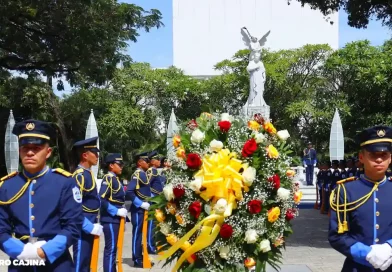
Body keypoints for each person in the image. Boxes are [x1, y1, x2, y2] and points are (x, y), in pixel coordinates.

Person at [0, 119, 83, 271]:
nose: (30, 152)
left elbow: (73, 226)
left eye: (36, 148)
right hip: (20, 262)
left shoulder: (63, 183)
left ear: (48, 152)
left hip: (56, 263)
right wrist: (20, 251)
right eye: (25, 148)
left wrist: (44, 251)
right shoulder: (7, 186)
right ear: (19, 151)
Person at [329, 125, 392, 271]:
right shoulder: (345, 190)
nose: (378, 159)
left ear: (390, 158)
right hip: (357, 267)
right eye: (373, 155)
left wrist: (390, 248)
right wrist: (367, 254)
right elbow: (337, 236)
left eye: (384, 155)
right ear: (362, 157)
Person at [72, 137, 103, 272]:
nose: (97, 156)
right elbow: (73, 207)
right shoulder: (79, 175)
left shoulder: (87, 173)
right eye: (94, 153)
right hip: (82, 224)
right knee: (80, 261)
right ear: (85, 155)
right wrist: (87, 225)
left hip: (91, 220)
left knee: (87, 261)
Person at [99, 153, 128, 272]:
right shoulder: (108, 178)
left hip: (115, 218)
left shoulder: (116, 179)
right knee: (110, 249)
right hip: (110, 218)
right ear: (111, 165)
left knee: (114, 248)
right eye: (119, 164)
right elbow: (101, 199)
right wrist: (116, 211)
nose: (121, 167)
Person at [126, 152, 151, 268]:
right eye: (146, 161)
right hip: (137, 209)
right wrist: (140, 204)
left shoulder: (143, 174)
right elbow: (130, 191)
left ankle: (139, 255)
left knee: (141, 233)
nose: (148, 163)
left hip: (143, 209)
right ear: (140, 163)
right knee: (137, 233)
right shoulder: (137, 174)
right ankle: (136, 258)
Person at [146, 151, 163, 254]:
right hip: (153, 200)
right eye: (157, 159)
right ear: (152, 161)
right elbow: (146, 185)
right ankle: (150, 246)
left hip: (157, 199)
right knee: (151, 224)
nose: (159, 161)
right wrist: (150, 198)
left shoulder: (155, 170)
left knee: (155, 224)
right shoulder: (151, 171)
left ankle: (153, 244)